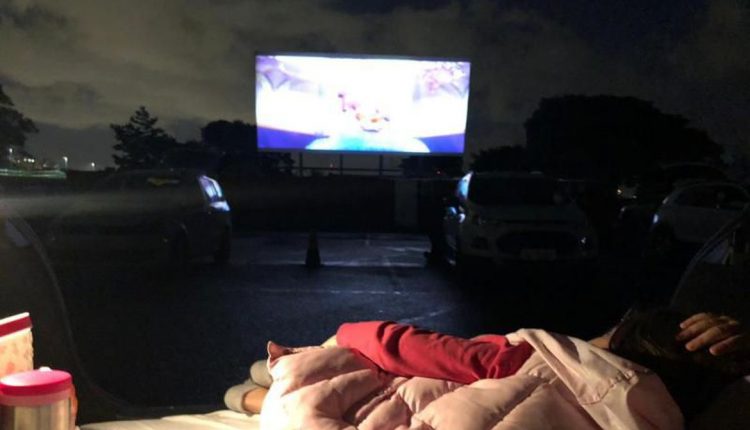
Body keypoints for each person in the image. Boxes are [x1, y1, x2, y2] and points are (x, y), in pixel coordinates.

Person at [225, 310, 748, 423]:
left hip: (380, 389)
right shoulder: (663, 415)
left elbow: (400, 345)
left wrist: (343, 334)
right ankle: (258, 393)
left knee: (300, 377)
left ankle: (257, 390)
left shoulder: (532, 358)